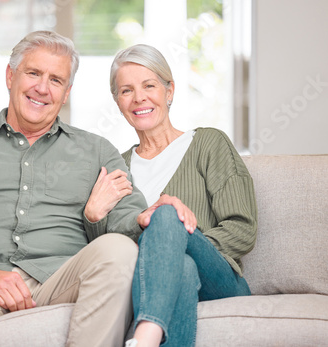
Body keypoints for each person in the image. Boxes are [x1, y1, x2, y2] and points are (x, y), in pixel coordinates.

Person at [0, 31, 196, 347]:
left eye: (56, 80)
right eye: (33, 73)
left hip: (60, 281)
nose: (42, 88)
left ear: (67, 92)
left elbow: (125, 216)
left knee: (119, 249)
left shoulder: (97, 151)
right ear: (10, 75)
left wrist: (145, 218)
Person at [84, 44, 258, 347]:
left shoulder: (207, 143)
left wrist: (172, 241)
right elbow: (104, 251)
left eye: (149, 85)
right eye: (126, 90)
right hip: (149, 282)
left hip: (219, 280)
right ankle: (147, 339)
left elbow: (242, 228)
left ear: (169, 91)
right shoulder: (117, 169)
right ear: (118, 102)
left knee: (167, 213)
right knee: (183, 269)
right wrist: (93, 216)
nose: (139, 98)